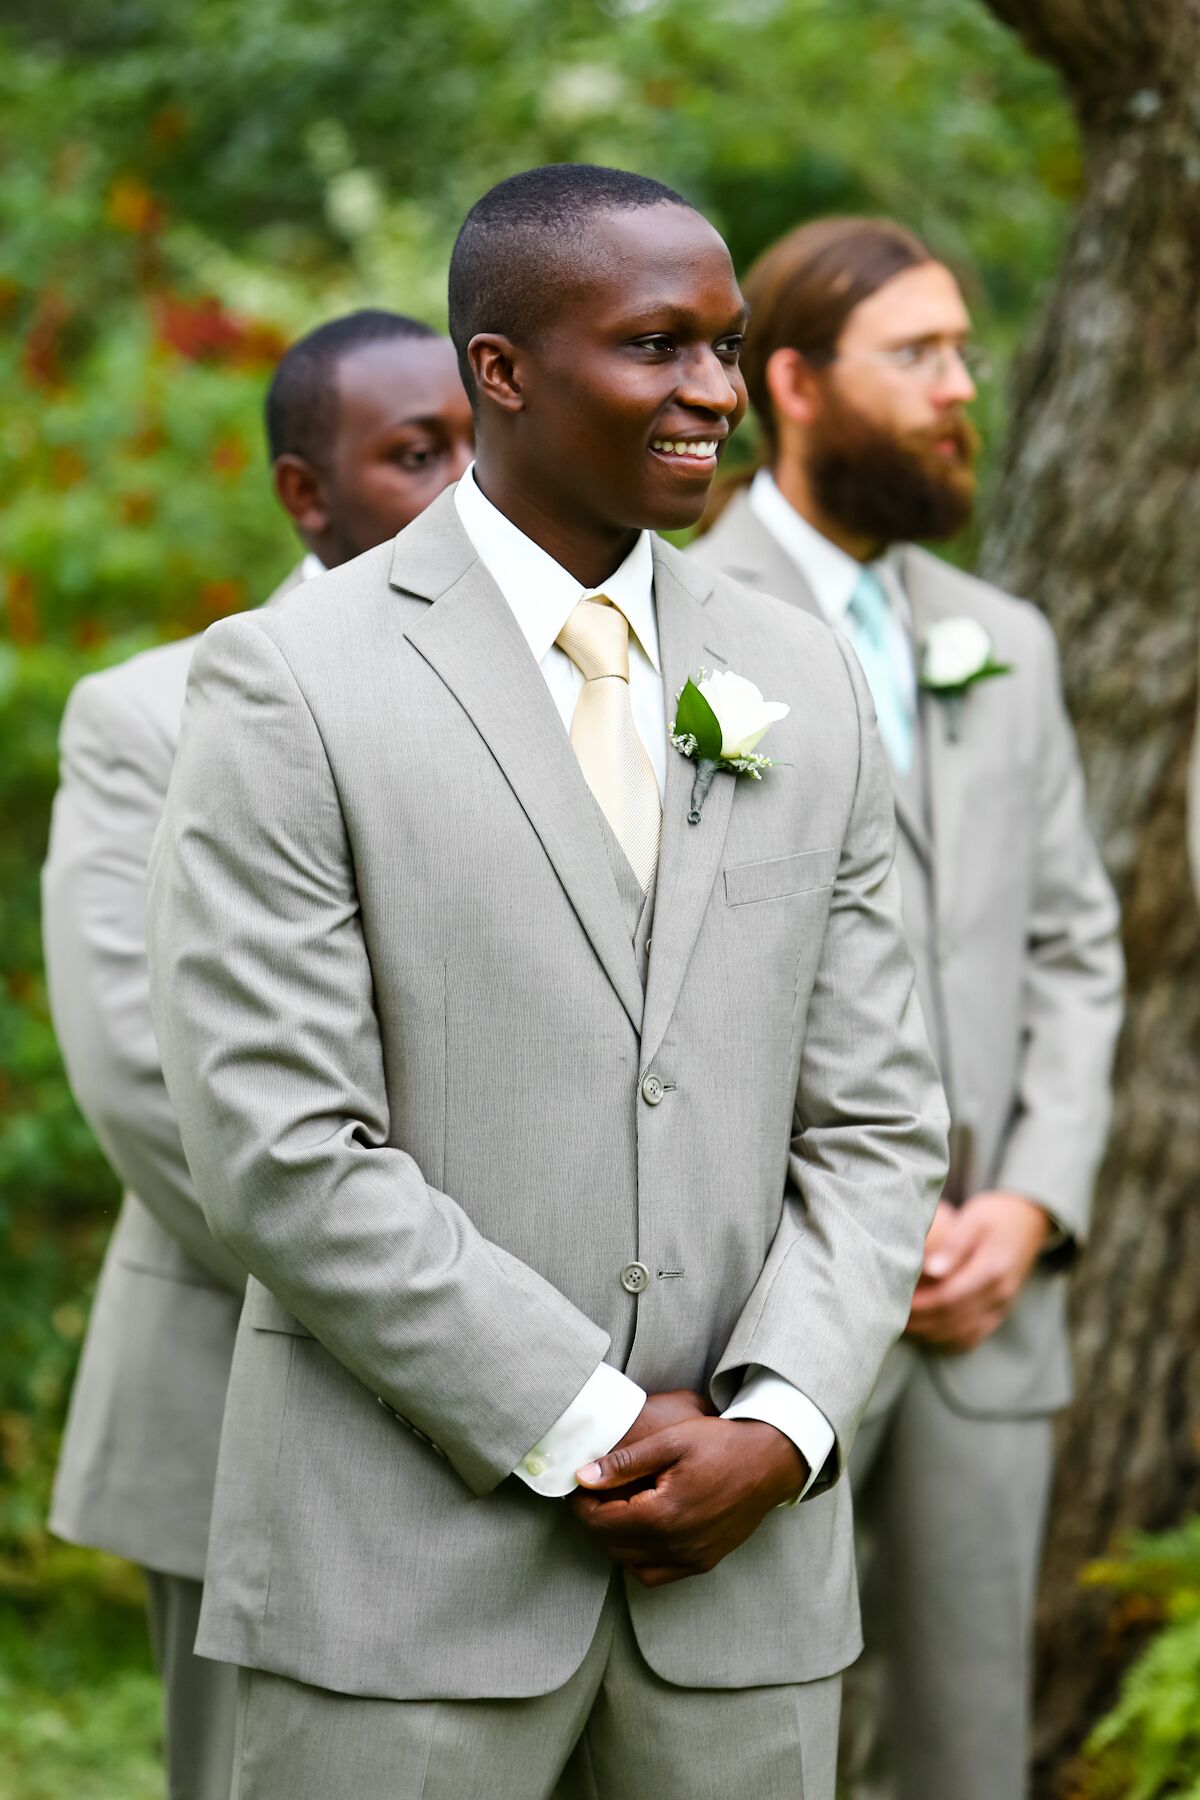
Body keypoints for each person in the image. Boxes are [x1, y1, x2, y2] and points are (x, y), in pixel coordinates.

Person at [145, 161, 947, 1800]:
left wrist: (779, 1426)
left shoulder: (803, 677)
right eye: (659, 346)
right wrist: (586, 1425)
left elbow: (879, 1118)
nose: (715, 393)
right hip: (399, 1597)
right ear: (500, 371)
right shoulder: (292, 682)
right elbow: (277, 1148)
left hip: (743, 1599)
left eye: (725, 348)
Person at [693, 215, 1124, 1800]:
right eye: (919, 356)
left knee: (965, 1757)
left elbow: (1079, 947)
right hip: (748, 1313)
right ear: (794, 382)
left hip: (979, 1309)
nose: (964, 390)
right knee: (733, 1749)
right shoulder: (674, 613)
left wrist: (1030, 1205)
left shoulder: (1002, 640)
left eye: (965, 351)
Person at [42, 308, 473, 1800]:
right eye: (417, 455)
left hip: (564, 1404)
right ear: (308, 493)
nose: (461, 488)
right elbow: (152, 1089)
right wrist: (460, 1322)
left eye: (479, 448)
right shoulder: (149, 717)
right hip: (254, 1389)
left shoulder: (584, 694)